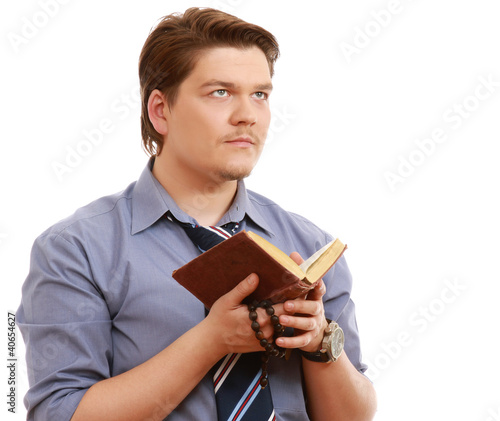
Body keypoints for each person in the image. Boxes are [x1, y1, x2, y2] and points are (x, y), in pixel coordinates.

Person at [17, 7, 377, 421]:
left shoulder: (309, 246)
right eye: (220, 92)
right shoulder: (75, 250)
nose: (248, 115)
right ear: (160, 111)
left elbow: (353, 416)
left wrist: (318, 344)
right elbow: (59, 414)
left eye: (260, 94)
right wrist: (211, 341)